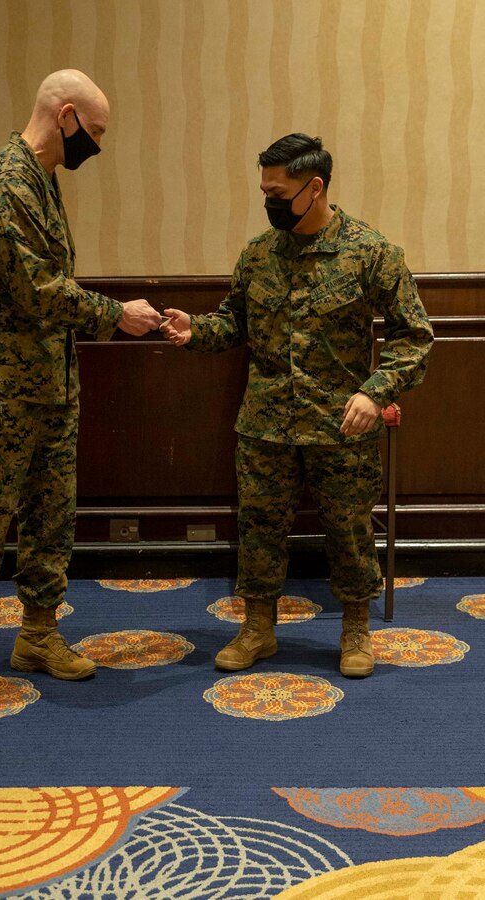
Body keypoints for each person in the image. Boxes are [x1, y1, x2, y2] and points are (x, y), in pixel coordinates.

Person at [0, 69, 162, 712]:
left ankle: (37, 634)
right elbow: (34, 291)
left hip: (48, 381)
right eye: (96, 131)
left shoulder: (41, 180)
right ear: (65, 115)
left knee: (50, 516)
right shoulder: (7, 183)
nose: (98, 144)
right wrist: (114, 314)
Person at [162, 133, 433, 679]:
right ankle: (258, 628)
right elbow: (233, 324)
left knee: (351, 530)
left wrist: (374, 391)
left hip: (342, 424)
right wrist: (196, 330)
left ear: (315, 188)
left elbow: (415, 337)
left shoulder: (371, 252)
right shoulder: (258, 255)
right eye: (264, 191)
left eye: (279, 192)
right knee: (259, 528)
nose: (270, 202)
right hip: (265, 425)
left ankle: (355, 628)